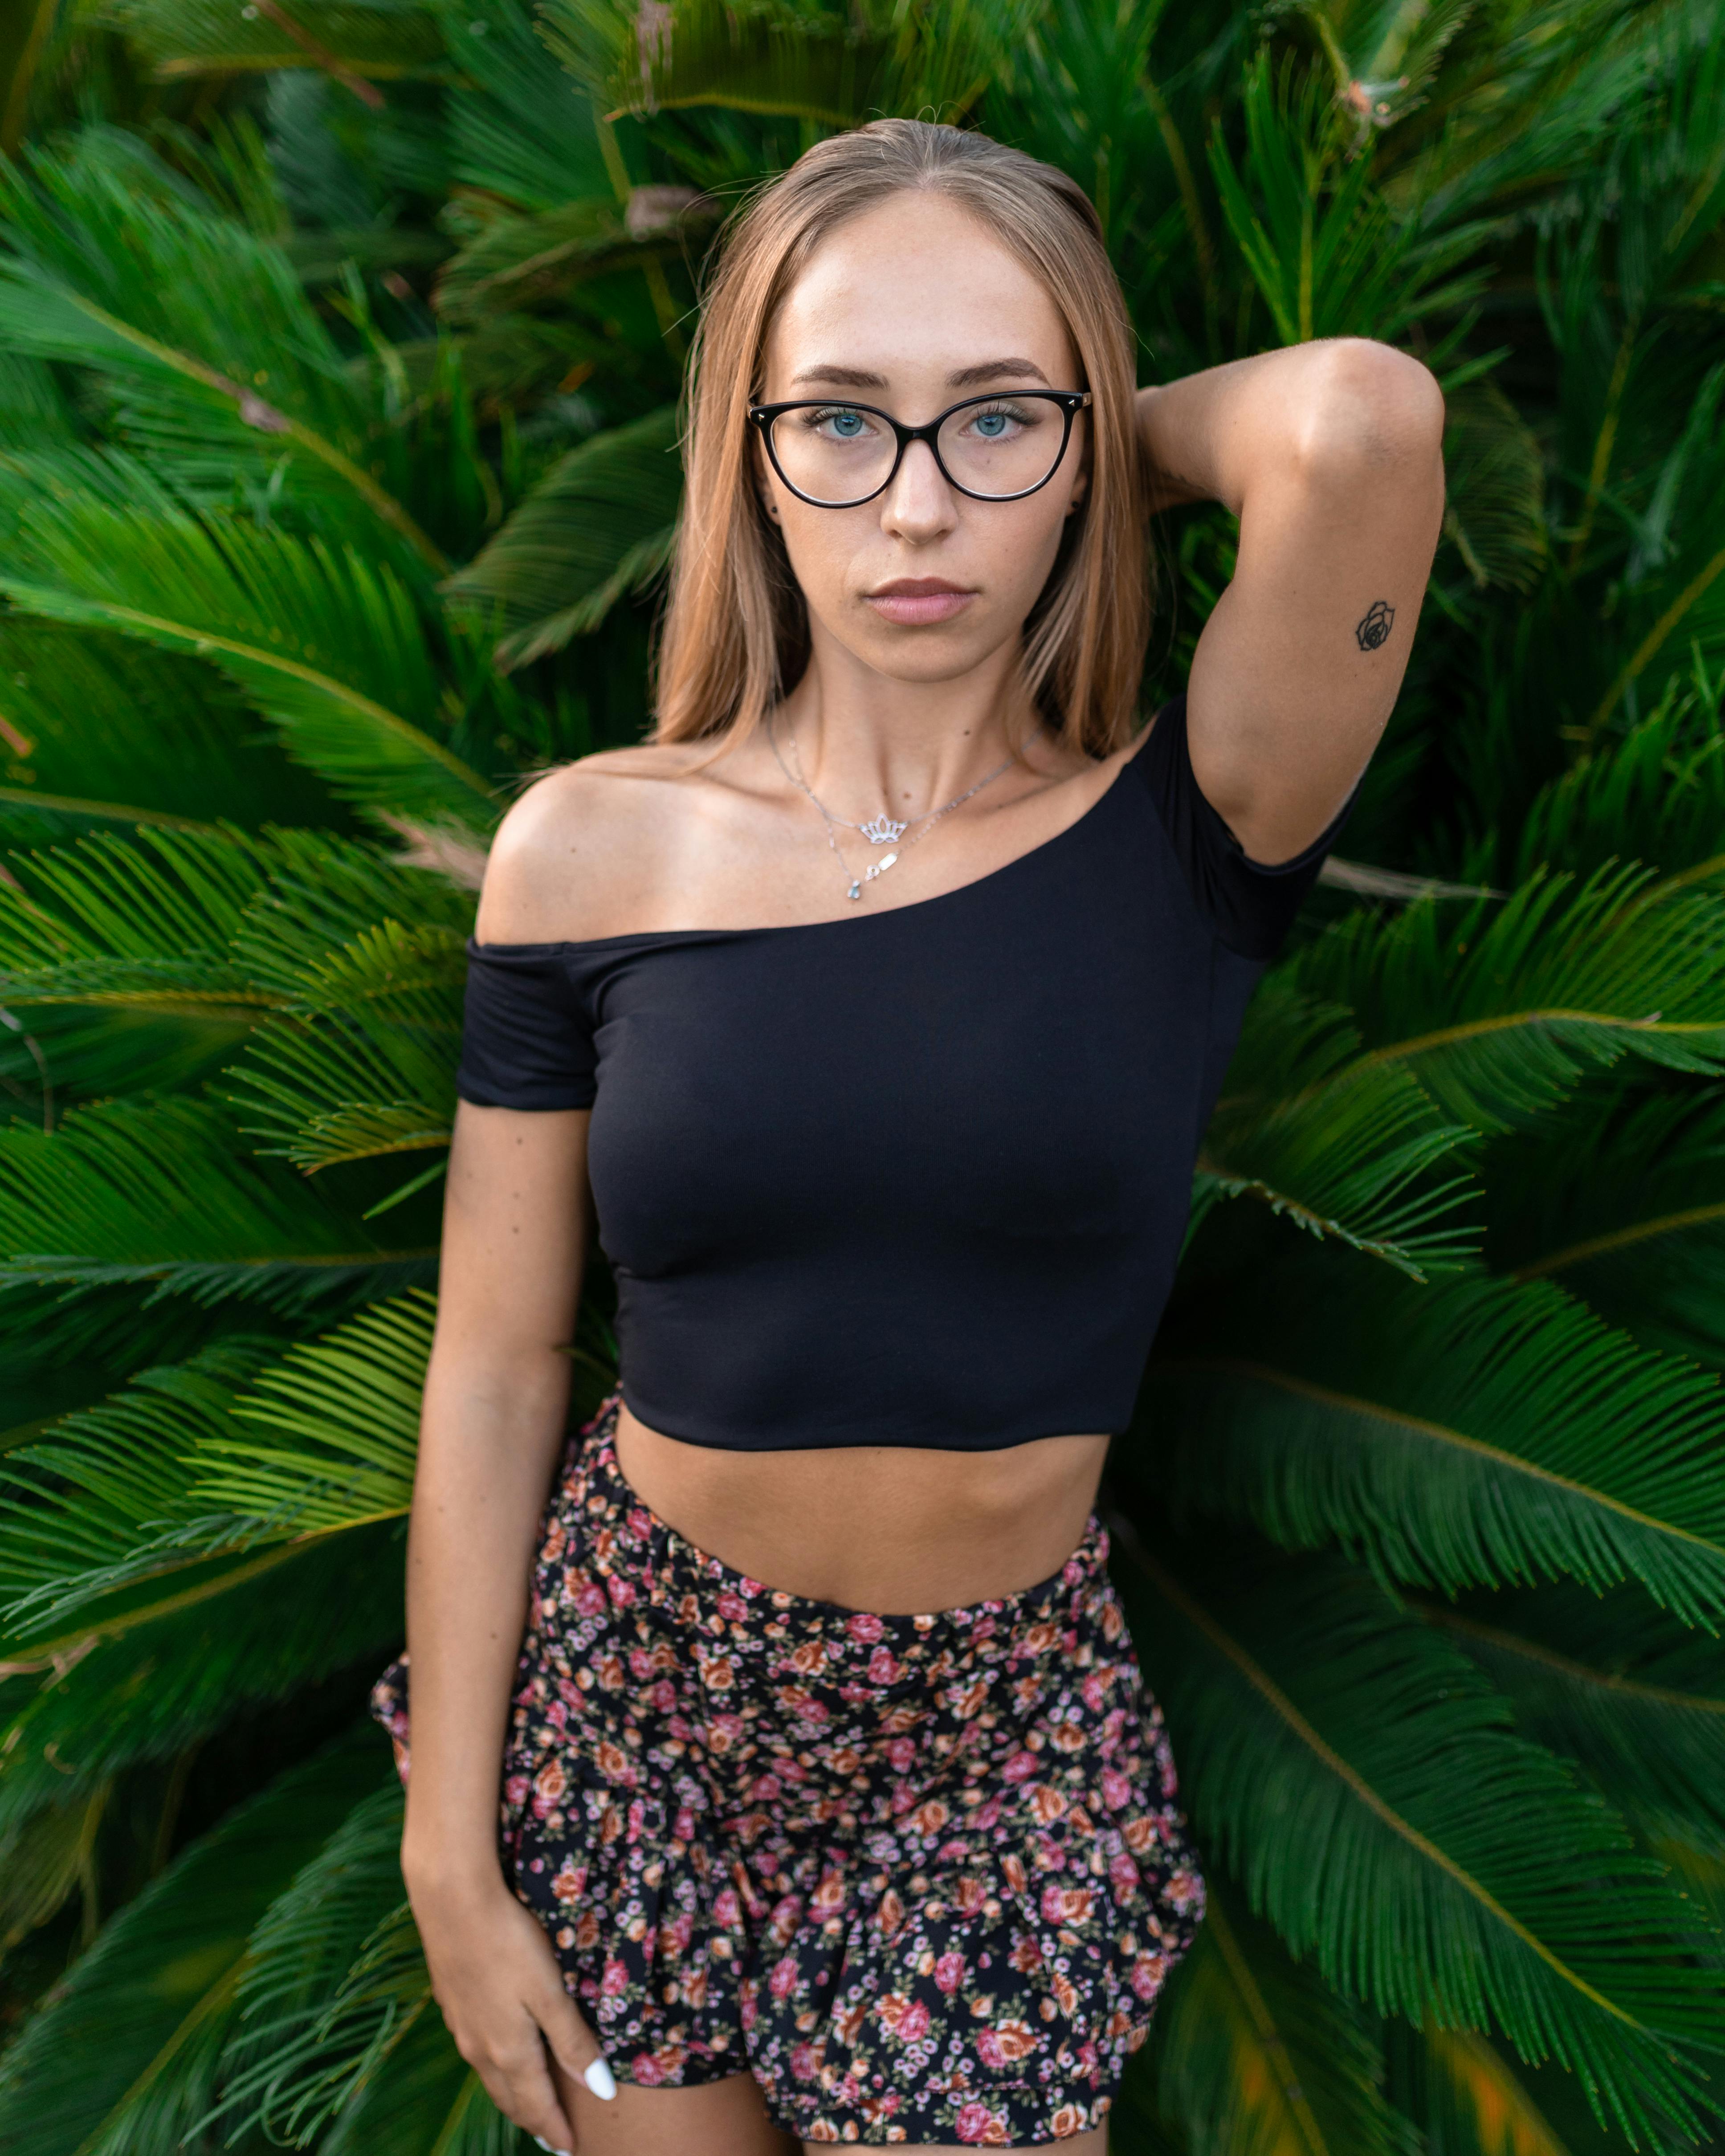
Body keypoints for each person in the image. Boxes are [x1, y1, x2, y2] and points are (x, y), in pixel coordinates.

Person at [368, 116, 1445, 2155]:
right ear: (750, 454)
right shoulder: (588, 849)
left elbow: (1365, 420)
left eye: (997, 419)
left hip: (988, 1750)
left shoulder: (1193, 825)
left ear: (1088, 433)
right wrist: (450, 1852)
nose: (919, 506)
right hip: (629, 1705)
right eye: (842, 425)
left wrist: (1075, 448)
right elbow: (497, 1361)